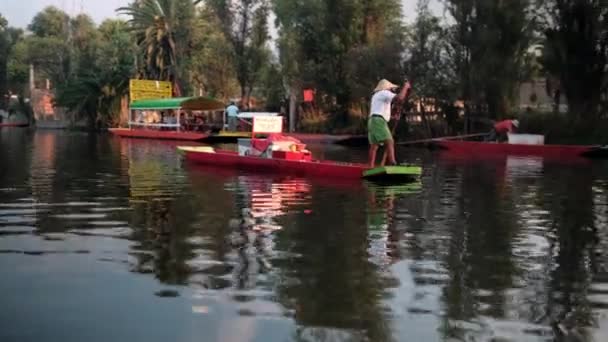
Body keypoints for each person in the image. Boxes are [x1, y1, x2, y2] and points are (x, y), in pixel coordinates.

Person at [368, 79, 411, 168]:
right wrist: (406, 87)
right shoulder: (384, 92)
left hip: (372, 121)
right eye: (391, 88)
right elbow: (400, 98)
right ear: (386, 88)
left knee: (374, 146)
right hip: (378, 121)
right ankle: (393, 163)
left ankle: (370, 167)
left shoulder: (376, 95)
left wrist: (392, 117)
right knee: (390, 141)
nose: (392, 90)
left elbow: (380, 110)